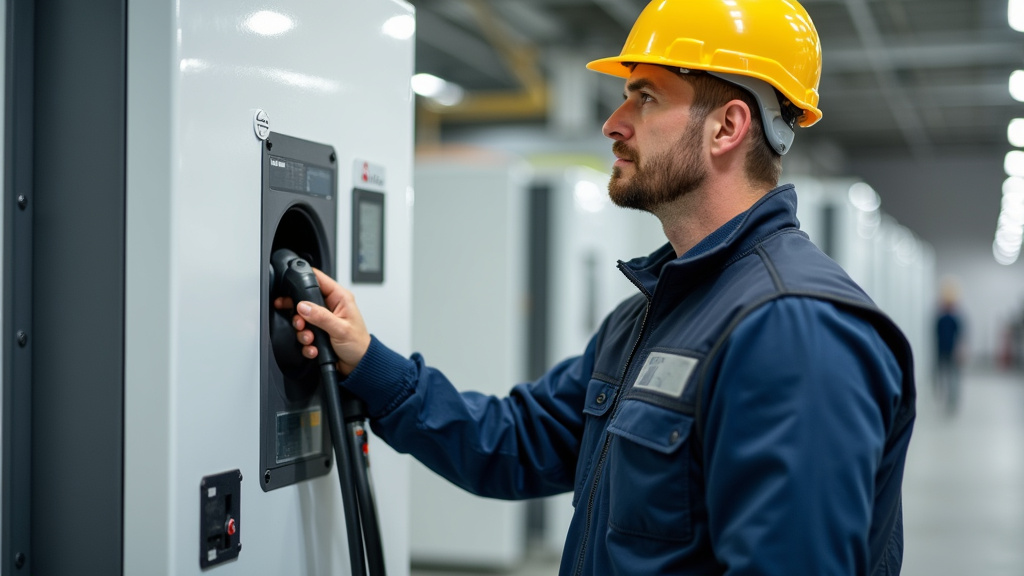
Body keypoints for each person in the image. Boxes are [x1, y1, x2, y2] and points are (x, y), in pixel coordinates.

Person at [279, 1, 916, 574]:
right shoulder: (653, 313)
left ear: (728, 127)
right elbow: (515, 441)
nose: (613, 122)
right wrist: (368, 360)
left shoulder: (792, 329)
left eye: (645, 97)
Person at [934, 281, 964, 413]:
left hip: (953, 352)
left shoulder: (955, 319)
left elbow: (960, 337)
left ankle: (953, 399)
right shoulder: (940, 319)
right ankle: (944, 397)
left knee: (953, 376)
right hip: (941, 351)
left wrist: (960, 351)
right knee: (942, 376)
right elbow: (935, 336)